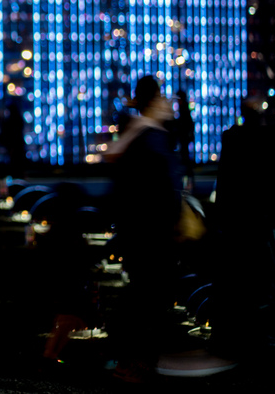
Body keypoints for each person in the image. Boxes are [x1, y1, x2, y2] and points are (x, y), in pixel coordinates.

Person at [104, 76, 183, 382]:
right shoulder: (151, 138)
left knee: (143, 292)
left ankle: (129, 357)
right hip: (153, 232)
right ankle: (135, 360)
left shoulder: (134, 135)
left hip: (138, 230)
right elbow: (165, 188)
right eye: (162, 98)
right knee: (150, 295)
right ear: (154, 100)